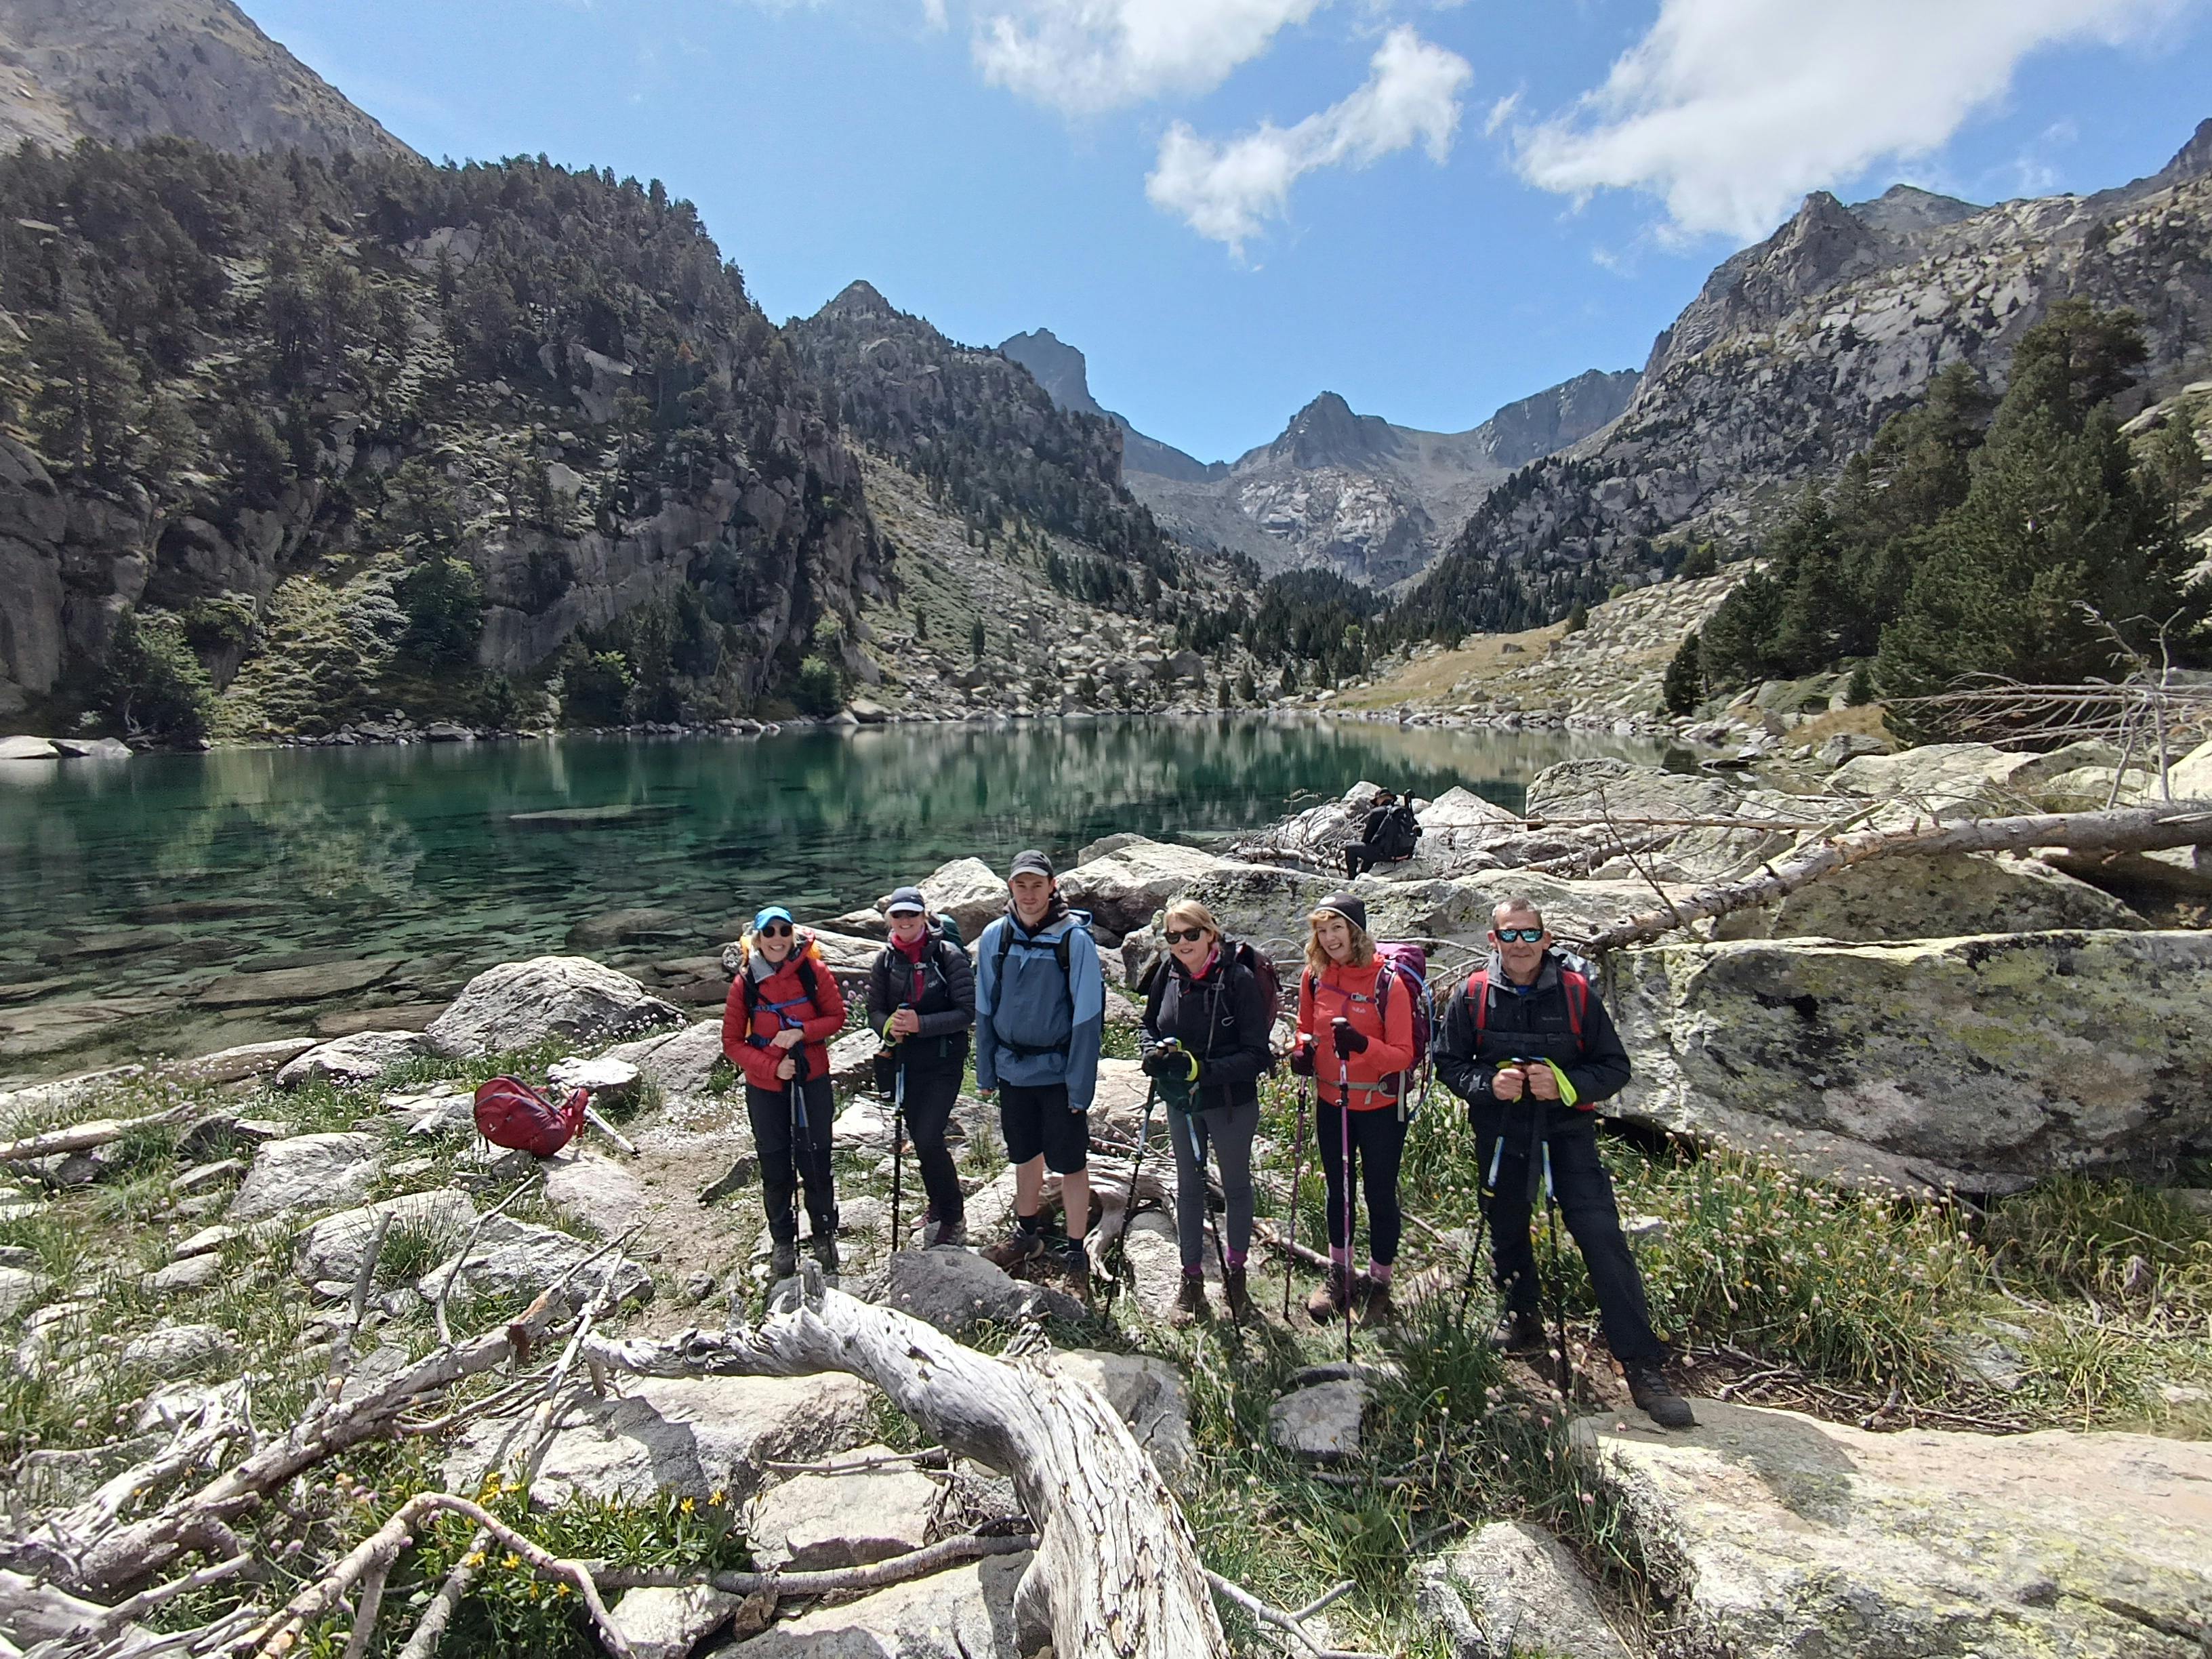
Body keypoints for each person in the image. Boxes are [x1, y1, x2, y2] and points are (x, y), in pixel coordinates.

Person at [1432, 896, 1695, 1430]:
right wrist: (1488, 1085)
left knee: (1600, 1234)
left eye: (1530, 935)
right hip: (1502, 1130)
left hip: (1567, 1133)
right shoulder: (1472, 995)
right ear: (1493, 941)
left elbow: (1614, 1067)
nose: (1521, 945)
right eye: (1510, 935)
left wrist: (1566, 1085)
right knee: (1506, 1222)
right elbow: (1448, 1062)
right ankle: (1521, 1314)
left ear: (1547, 940)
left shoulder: (1577, 995)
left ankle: (1642, 1366)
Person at [1139, 899, 1276, 1323]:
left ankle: (1236, 1280)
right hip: (1182, 1100)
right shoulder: (1168, 972)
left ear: (1210, 934)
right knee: (1189, 1185)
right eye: (1173, 936)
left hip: (1230, 1102)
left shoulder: (1236, 980)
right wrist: (1152, 1055)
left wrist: (1205, 1070)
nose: (1182, 944)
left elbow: (1258, 1055)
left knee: (1235, 1187)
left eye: (1191, 934)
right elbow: (1149, 1024)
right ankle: (1192, 1282)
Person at [975, 851, 1105, 1278]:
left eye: (1037, 885)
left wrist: (1080, 1085)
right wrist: (986, 1069)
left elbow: (1088, 1016)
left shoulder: (1074, 939)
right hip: (1013, 1069)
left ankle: (1075, 1250)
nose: (1029, 894)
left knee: (1071, 1162)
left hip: (1059, 1072)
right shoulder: (997, 936)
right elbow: (985, 1006)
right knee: (1024, 1154)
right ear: (1009, 888)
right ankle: (1026, 1234)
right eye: (1020, 885)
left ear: (1053, 886)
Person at [1288, 893, 1416, 1325]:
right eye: (1322, 931)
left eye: (1336, 928)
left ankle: (1379, 1282)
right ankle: (1339, 1272)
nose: (1328, 939)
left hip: (1380, 1105)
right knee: (1337, 1191)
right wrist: (1301, 1051)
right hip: (1332, 1100)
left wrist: (1363, 1046)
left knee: (1379, 1193)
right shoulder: (1315, 977)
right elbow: (1306, 1029)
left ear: (1355, 931)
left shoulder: (1388, 983)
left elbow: (1403, 1054)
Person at [722, 905, 848, 1281]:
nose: (777, 939)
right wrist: (772, 1067)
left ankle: (824, 1232)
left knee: (816, 1158)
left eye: (784, 931)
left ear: (793, 935)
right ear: (758, 940)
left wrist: (801, 1033)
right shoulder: (744, 984)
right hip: (765, 1087)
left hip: (812, 1080)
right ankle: (782, 1241)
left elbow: (837, 1017)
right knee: (775, 1164)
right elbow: (732, 1042)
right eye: (769, 933)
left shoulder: (814, 971)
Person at [867, 885, 975, 1248]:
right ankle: (937, 1203)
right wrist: (889, 1027)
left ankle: (953, 1215)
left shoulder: (948, 956)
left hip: (944, 1062)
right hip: (906, 1063)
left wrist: (920, 1025)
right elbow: (875, 1011)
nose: (905, 921)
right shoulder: (885, 960)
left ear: (924, 916)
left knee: (928, 1136)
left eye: (911, 914)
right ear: (890, 920)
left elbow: (966, 1013)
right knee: (921, 1138)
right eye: (898, 915)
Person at [1343, 789, 1421, 880]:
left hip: (1387, 854)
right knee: (1373, 848)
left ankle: (1352, 879)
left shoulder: (1377, 812)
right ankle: (1363, 873)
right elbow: (1419, 832)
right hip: (1406, 854)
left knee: (1351, 848)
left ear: (1380, 798)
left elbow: (1366, 840)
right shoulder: (1404, 811)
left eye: (1376, 801)